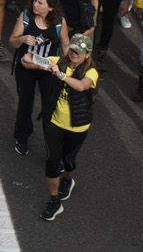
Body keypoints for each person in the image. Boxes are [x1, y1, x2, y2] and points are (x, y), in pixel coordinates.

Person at [40, 36, 100, 222]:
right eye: (72, 50)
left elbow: (81, 86)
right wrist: (34, 61)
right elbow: (30, 60)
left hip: (77, 126)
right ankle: (54, 200)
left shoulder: (91, 72)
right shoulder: (59, 61)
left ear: (87, 54)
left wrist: (61, 75)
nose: (74, 54)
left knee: (68, 161)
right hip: (54, 122)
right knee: (52, 160)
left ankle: (67, 178)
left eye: (78, 52)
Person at [10, 0, 66, 156]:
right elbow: (12, 41)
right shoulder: (26, 16)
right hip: (25, 68)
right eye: (35, 1)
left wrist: (66, 67)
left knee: (49, 107)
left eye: (40, 3)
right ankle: (22, 137)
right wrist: (22, 39)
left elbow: (65, 45)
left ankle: (52, 145)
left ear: (50, 7)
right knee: (25, 104)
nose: (35, 4)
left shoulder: (59, 22)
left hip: (47, 70)